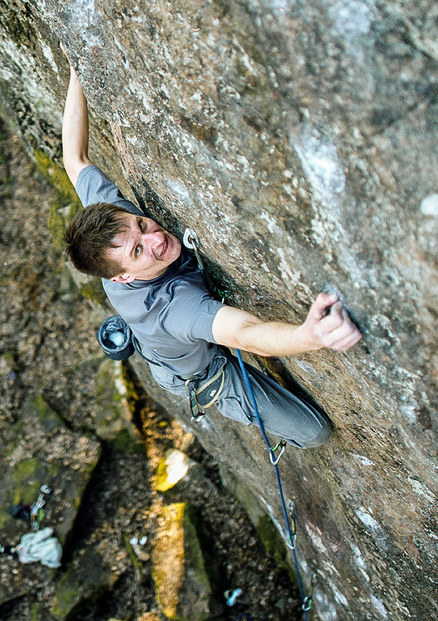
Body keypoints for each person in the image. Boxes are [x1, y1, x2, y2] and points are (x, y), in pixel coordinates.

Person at [60, 58, 362, 448]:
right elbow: (245, 334)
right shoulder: (176, 308)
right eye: (138, 250)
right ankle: (163, 351)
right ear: (121, 277)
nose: (155, 238)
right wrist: (310, 335)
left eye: (142, 225)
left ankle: (139, 334)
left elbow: (75, 159)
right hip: (197, 368)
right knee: (314, 432)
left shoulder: (113, 225)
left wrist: (76, 66)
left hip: (161, 331)